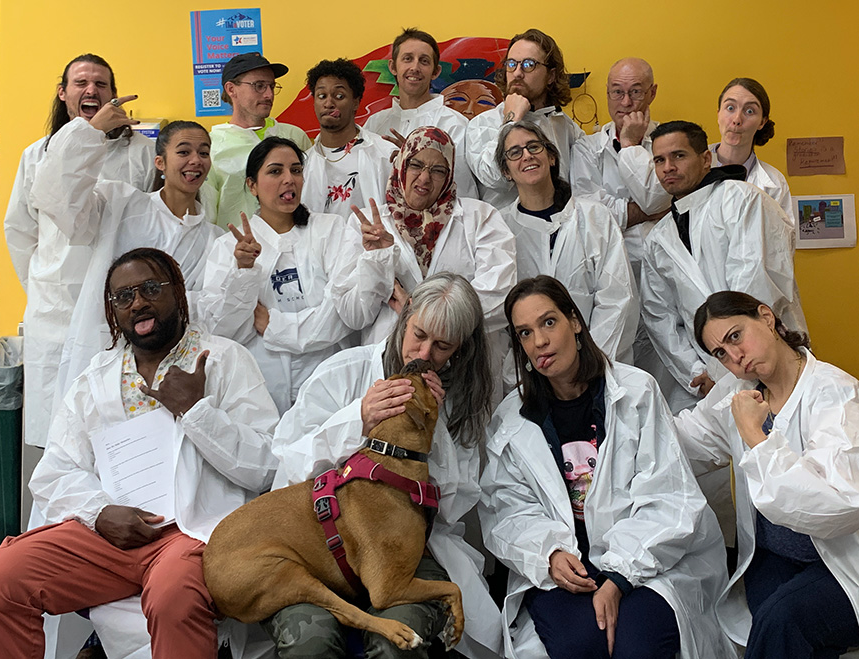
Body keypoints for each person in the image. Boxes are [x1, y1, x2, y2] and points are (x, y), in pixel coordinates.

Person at [0, 248, 280, 659]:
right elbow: (55, 472)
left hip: (192, 534)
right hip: (112, 536)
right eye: (123, 297)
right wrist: (100, 513)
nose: (138, 302)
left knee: (172, 597)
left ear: (178, 293)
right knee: (2, 576)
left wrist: (196, 413)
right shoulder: (96, 379)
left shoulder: (224, 360)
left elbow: (267, 468)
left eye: (150, 288)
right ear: (113, 314)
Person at [479, 275, 733, 659]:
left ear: (575, 322)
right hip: (563, 571)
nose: (540, 342)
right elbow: (506, 509)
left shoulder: (636, 392)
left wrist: (618, 577)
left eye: (549, 322)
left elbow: (668, 497)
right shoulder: (512, 418)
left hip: (648, 562)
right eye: (525, 333)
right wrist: (549, 554)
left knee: (638, 647)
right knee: (579, 647)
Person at [267, 273, 502, 659]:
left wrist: (432, 428)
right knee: (311, 645)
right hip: (317, 546)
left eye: (442, 346)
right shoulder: (344, 371)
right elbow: (288, 464)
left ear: (460, 351)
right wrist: (358, 418)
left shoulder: (457, 401)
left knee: (398, 643)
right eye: (419, 335)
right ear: (404, 317)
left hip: (404, 548)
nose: (424, 354)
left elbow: (452, 508)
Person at [675, 291, 859, 658]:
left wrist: (757, 439)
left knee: (781, 620)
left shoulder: (835, 395)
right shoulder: (738, 391)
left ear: (767, 318)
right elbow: (686, 440)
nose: (735, 358)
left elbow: (835, 507)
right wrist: (624, 418)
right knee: (780, 627)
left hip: (840, 561)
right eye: (720, 354)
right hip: (774, 555)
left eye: (735, 336)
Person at [3, 53, 156, 449]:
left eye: (101, 84)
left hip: (118, 304)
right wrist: (43, 285)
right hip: (55, 309)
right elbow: (19, 230)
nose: (91, 90)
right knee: (56, 435)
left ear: (114, 95)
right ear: (63, 93)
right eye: (81, 83)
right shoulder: (38, 154)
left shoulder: (139, 152)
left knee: (117, 428)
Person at [30, 114, 222, 414]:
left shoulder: (214, 238)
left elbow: (212, 308)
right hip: (108, 353)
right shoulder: (122, 206)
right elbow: (58, 194)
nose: (195, 160)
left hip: (173, 364)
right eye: (183, 151)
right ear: (160, 162)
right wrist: (89, 133)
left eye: (204, 152)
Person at [200, 137, 394, 413]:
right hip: (259, 385)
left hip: (328, 379)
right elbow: (224, 332)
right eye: (275, 171)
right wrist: (243, 273)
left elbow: (345, 317)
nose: (289, 179)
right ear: (251, 185)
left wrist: (275, 327)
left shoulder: (331, 230)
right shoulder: (229, 248)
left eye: (296, 170)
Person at [641, 120, 806, 411]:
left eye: (679, 155)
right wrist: (698, 373)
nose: (668, 167)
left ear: (706, 159)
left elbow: (756, 286)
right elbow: (660, 317)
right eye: (659, 160)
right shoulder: (658, 238)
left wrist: (724, 368)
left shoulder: (742, 200)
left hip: (768, 358)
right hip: (709, 377)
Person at [349, 125, 516, 348]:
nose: (425, 178)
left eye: (438, 170)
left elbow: (497, 296)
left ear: (449, 175)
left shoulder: (481, 218)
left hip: (462, 359)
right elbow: (354, 315)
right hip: (390, 359)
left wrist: (420, 315)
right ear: (401, 165)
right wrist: (377, 259)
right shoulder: (367, 224)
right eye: (416, 165)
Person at [496, 120, 637, 364]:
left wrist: (590, 363)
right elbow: (499, 317)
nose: (527, 156)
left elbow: (618, 298)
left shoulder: (595, 217)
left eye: (534, 147)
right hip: (530, 372)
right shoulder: (499, 229)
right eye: (515, 153)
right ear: (506, 171)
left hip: (598, 364)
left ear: (551, 157)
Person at [570, 57, 670, 279]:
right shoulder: (586, 148)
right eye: (617, 92)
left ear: (652, 93)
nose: (625, 102)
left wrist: (629, 145)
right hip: (607, 267)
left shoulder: (671, 143)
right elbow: (590, 214)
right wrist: (649, 212)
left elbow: (663, 198)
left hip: (664, 262)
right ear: (607, 93)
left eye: (635, 92)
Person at [465, 28, 585, 209]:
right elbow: (492, 177)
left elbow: (583, 187)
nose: (518, 73)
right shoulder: (482, 124)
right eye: (511, 64)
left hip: (561, 231)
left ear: (551, 75)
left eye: (529, 64)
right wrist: (511, 120)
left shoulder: (567, 127)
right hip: (505, 233)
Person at [202, 52, 311, 229]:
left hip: (295, 246)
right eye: (259, 86)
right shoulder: (211, 146)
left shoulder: (294, 136)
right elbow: (207, 212)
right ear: (231, 89)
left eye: (271, 86)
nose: (269, 94)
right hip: (236, 248)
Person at [364, 28, 477, 197]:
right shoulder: (374, 124)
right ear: (393, 67)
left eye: (424, 61)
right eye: (407, 59)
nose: (415, 67)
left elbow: (462, 192)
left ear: (435, 72)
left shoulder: (454, 124)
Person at [301, 58, 395, 217]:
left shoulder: (385, 154)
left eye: (339, 96)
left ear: (356, 102)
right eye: (322, 95)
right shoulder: (302, 163)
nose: (328, 103)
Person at [710, 77, 794, 226]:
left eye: (749, 111)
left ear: (762, 122)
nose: (737, 119)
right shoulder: (691, 166)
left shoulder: (774, 183)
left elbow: (782, 243)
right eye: (730, 108)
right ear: (718, 114)